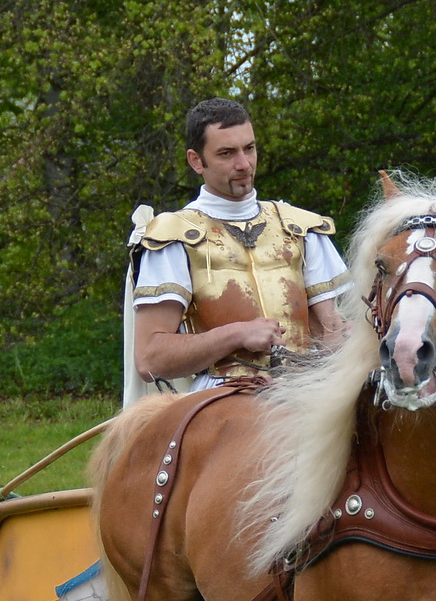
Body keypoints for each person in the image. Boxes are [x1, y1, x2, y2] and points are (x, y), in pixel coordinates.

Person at [131, 98, 349, 389]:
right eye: (226, 153)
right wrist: (236, 335)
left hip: (303, 390)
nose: (244, 164)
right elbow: (150, 359)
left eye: (250, 148)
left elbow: (331, 333)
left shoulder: (300, 228)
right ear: (196, 161)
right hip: (219, 396)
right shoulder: (174, 237)